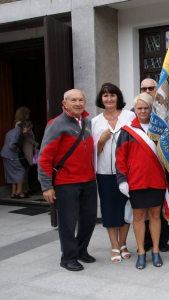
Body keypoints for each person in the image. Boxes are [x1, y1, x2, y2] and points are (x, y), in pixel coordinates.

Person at [38, 89, 97, 272]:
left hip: (88, 180)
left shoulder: (87, 122)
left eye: (81, 100)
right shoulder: (56, 124)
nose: (78, 103)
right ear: (65, 104)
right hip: (66, 182)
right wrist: (47, 186)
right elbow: (44, 157)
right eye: (73, 100)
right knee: (68, 222)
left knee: (89, 219)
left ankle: (81, 250)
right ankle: (68, 257)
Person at [116, 93, 167, 269]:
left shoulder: (160, 130)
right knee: (138, 216)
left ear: (151, 109)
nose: (143, 111)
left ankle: (155, 250)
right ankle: (140, 251)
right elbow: (120, 159)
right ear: (135, 110)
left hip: (157, 180)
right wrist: (122, 180)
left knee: (155, 215)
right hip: (136, 181)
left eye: (146, 108)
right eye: (140, 108)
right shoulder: (126, 131)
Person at [91, 83, 135, 263]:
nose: (109, 99)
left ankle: (123, 243)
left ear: (118, 97)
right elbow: (93, 152)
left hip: (128, 172)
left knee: (126, 208)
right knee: (109, 209)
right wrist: (101, 140)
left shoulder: (130, 116)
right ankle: (114, 246)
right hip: (105, 173)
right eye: (105, 96)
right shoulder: (95, 122)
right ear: (101, 99)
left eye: (112, 95)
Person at [139, 78, 169, 253]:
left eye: (151, 88)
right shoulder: (135, 112)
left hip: (166, 165)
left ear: (157, 89)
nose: (147, 91)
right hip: (145, 169)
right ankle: (146, 240)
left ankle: (163, 240)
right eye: (143, 88)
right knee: (146, 205)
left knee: (166, 203)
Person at [1, 120, 33, 199]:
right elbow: (12, 145)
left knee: (12, 173)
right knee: (21, 170)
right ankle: (19, 192)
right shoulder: (17, 132)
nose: (28, 131)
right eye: (28, 129)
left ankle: (13, 193)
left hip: (6, 155)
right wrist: (19, 152)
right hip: (12, 155)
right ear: (24, 127)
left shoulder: (13, 131)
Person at [14, 106, 39, 195]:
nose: (29, 115)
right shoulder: (20, 124)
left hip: (29, 146)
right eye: (27, 113)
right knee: (24, 167)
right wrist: (35, 143)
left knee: (27, 168)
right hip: (25, 147)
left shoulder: (24, 123)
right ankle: (23, 190)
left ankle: (26, 188)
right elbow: (26, 137)